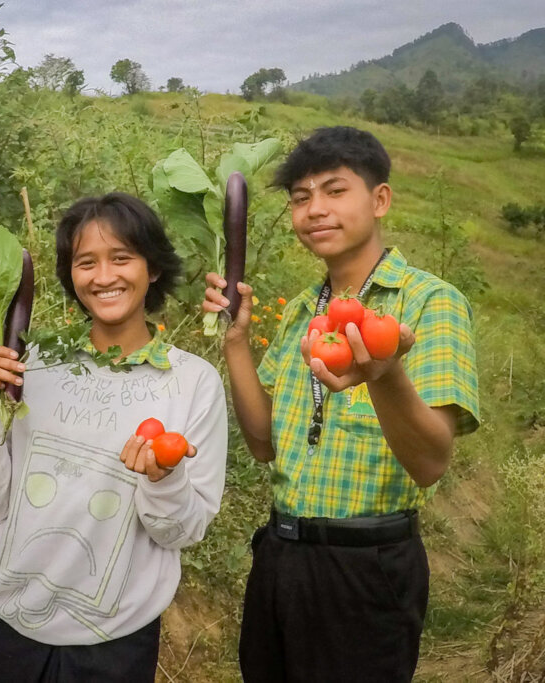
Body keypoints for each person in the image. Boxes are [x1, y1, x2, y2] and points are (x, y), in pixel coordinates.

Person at [202, 126, 480, 682]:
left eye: (334, 191)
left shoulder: (429, 303)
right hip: (281, 556)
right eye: (301, 198)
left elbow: (429, 463)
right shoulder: (302, 311)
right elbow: (263, 445)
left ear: (379, 200)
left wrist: (384, 374)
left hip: (367, 567)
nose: (315, 210)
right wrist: (235, 342)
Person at [0, 192, 228, 682]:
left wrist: (164, 480)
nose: (104, 277)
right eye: (86, 262)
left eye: (121, 258)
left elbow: (183, 531)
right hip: (4, 621)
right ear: (70, 275)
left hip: (113, 640)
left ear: (153, 269)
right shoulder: (29, 364)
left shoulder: (192, 382)